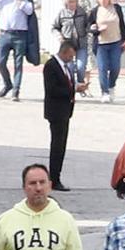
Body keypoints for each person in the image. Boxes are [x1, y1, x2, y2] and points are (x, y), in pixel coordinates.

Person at [43, 40, 87, 192]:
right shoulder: (51, 66)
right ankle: (54, 178)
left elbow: (67, 85)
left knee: (61, 146)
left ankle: (56, 175)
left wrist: (75, 88)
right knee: (57, 146)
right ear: (65, 51)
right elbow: (52, 90)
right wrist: (72, 90)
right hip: (56, 111)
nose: (72, 58)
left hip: (65, 111)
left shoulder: (67, 67)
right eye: (71, 55)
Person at [89, 0, 125, 102]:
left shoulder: (116, 8)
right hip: (101, 44)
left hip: (116, 42)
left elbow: (122, 24)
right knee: (102, 68)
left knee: (115, 67)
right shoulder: (95, 11)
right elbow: (89, 27)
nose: (102, 1)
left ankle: (111, 86)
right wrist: (97, 29)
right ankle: (104, 92)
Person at [52, 0, 90, 88]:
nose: (72, 4)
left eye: (74, 2)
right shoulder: (62, 14)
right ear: (66, 3)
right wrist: (59, 37)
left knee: (81, 67)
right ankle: (72, 86)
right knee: (70, 67)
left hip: (81, 44)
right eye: (70, 2)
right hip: (68, 45)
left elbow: (88, 25)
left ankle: (80, 83)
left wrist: (89, 30)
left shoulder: (82, 12)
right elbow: (54, 27)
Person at [67, 0, 94, 85]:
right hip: (73, 33)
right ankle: (72, 82)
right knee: (71, 62)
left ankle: (84, 84)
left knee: (86, 61)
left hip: (86, 33)